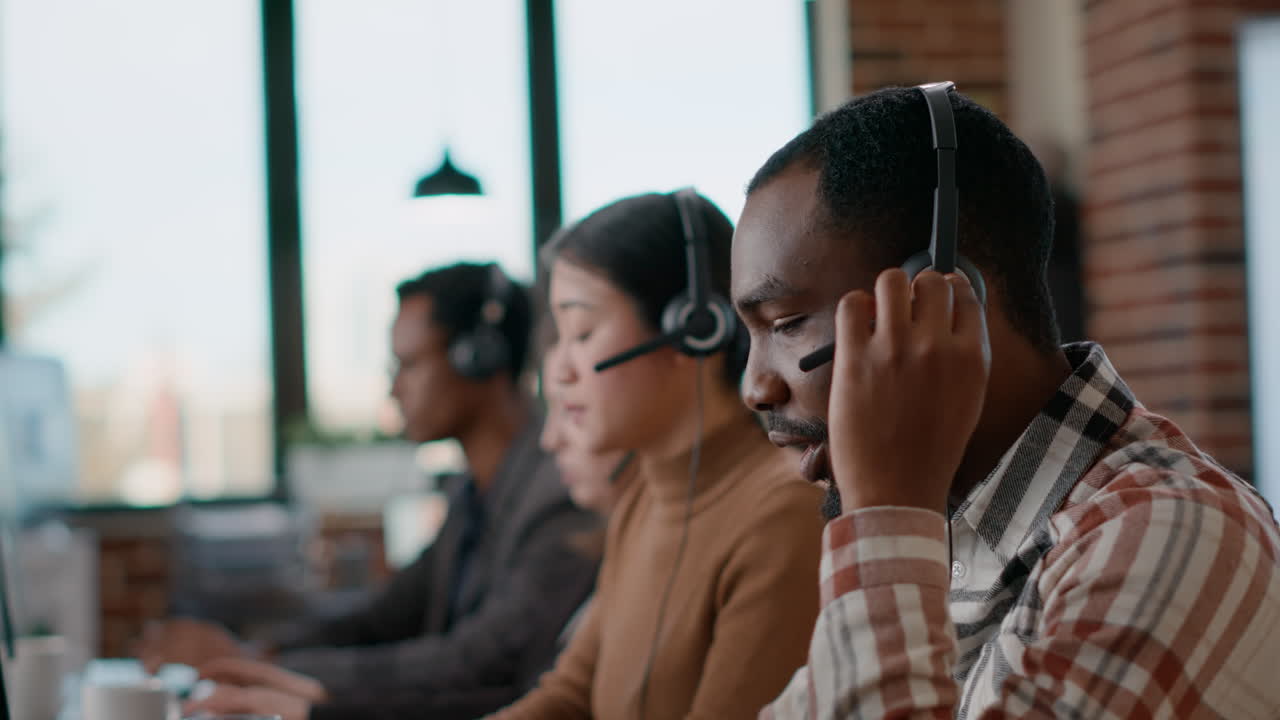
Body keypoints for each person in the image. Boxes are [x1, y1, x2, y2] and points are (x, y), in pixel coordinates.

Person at [730, 85, 1280, 718]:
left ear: (934, 298)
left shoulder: (1167, 534)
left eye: (786, 321)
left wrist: (885, 509)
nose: (756, 387)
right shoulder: (948, 535)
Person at [140, 262, 600, 719]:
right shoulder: (472, 495)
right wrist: (260, 652)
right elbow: (384, 616)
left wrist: (267, 667)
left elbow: (479, 662)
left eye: (410, 364)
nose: (394, 389)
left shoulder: (561, 495)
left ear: (480, 357)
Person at [491, 191, 826, 719]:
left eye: (580, 332)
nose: (558, 370)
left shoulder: (782, 519)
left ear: (691, 329)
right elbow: (571, 695)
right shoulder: (643, 497)